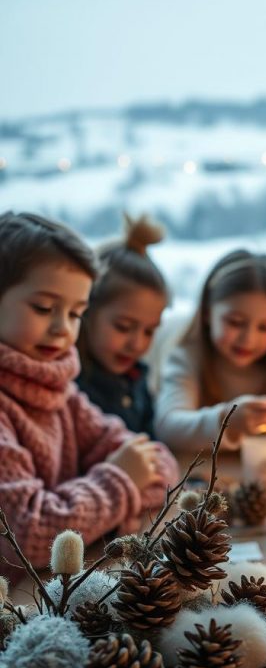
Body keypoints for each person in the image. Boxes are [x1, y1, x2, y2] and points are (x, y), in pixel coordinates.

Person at [0, 211, 178, 575]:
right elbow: (30, 537)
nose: (62, 328)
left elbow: (161, 466)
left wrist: (95, 511)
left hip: (62, 584)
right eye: (44, 308)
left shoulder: (59, 390)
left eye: (75, 312)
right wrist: (120, 482)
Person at [154, 249, 266, 452]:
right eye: (235, 322)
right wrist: (226, 421)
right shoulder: (187, 359)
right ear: (207, 313)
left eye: (264, 327)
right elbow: (168, 428)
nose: (249, 339)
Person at [77, 213, 168, 434]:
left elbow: (151, 440)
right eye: (124, 327)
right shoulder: (73, 387)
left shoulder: (137, 378)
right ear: (86, 311)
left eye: (149, 331)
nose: (137, 344)